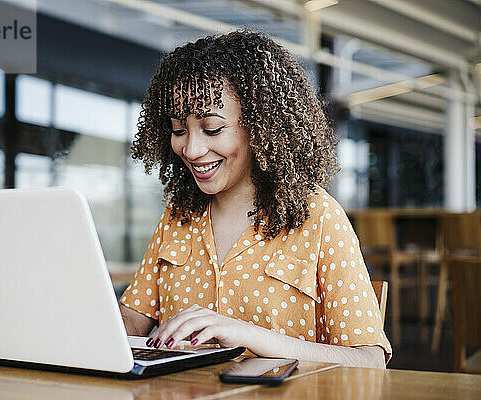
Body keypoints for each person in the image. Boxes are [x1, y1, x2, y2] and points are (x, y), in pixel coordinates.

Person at [119, 30, 391, 369]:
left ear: (261, 125)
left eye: (212, 129)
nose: (191, 149)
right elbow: (130, 323)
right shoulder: (179, 216)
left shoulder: (318, 217)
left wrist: (250, 335)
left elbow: (370, 361)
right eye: (178, 129)